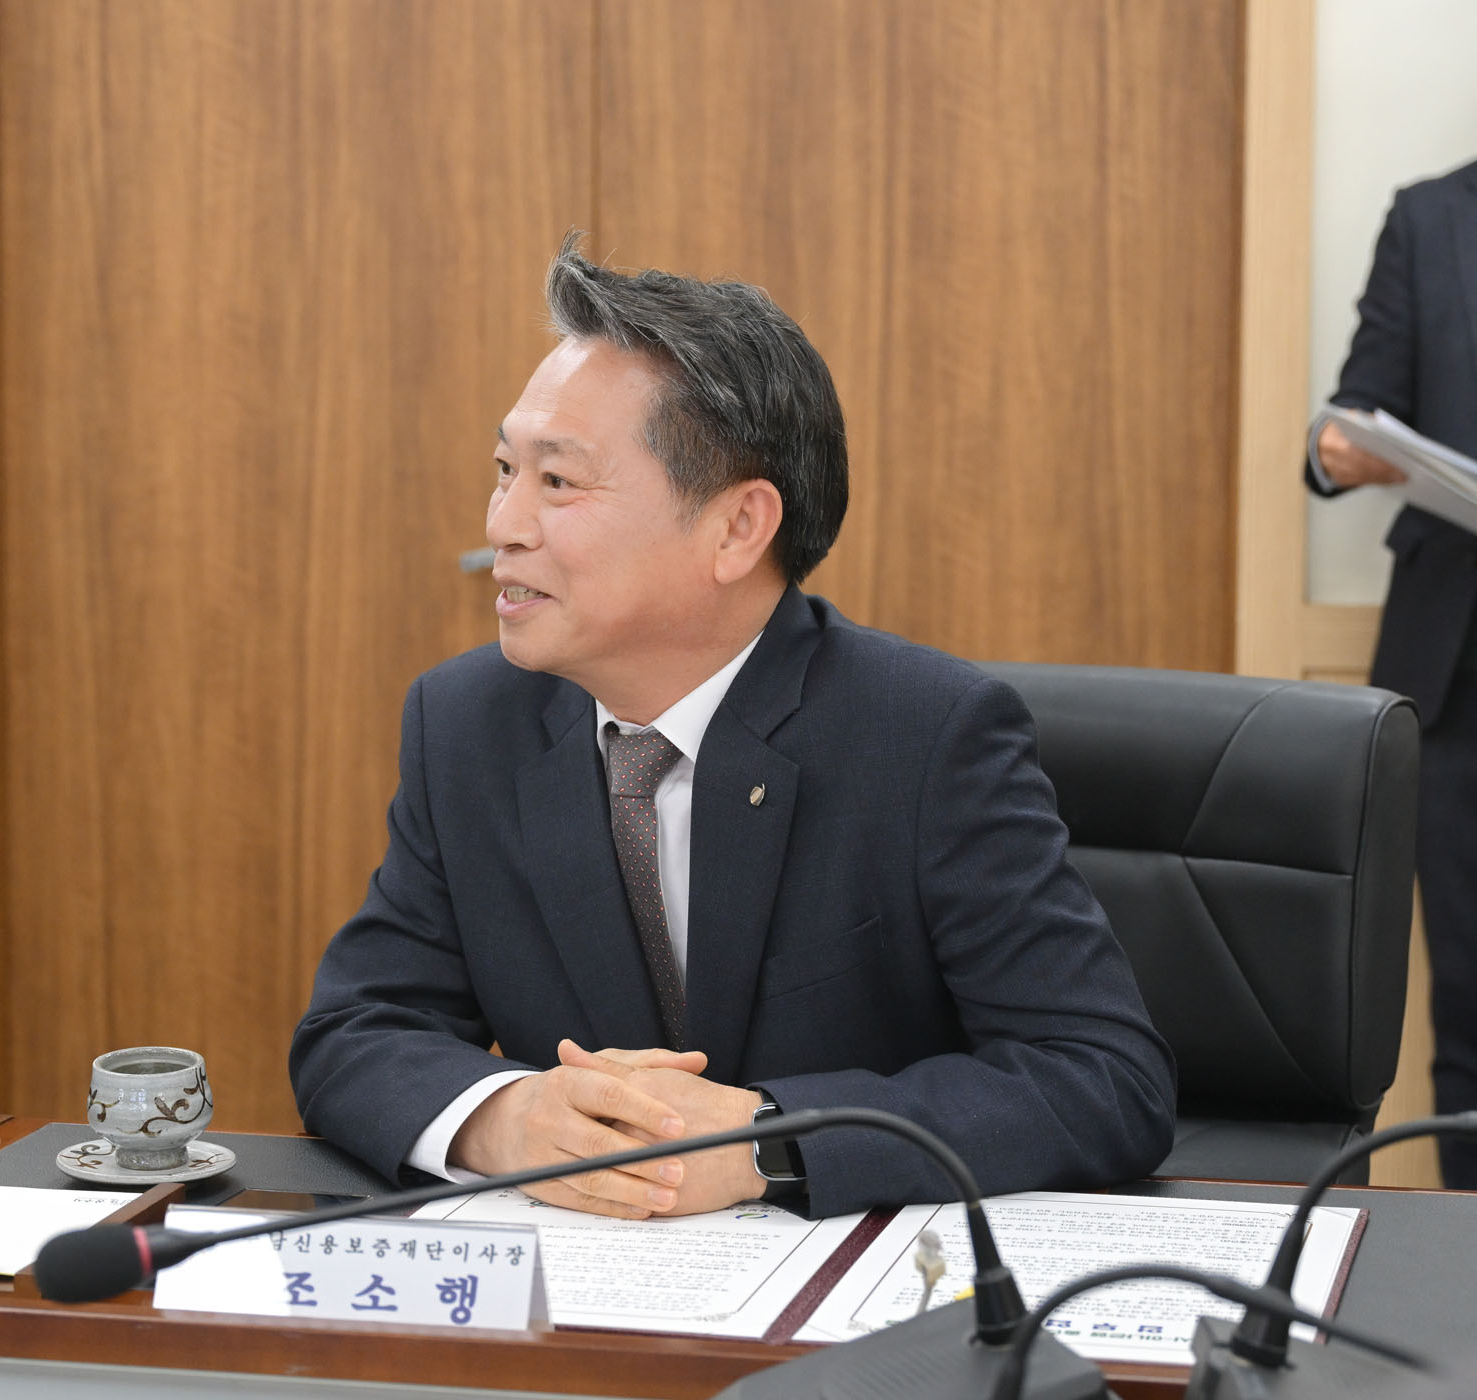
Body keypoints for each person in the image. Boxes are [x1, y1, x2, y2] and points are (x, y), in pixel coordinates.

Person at [290, 236, 1175, 1220]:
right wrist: (508, 1117)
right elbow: (354, 1031)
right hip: (588, 1283)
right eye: (505, 470)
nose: (503, 522)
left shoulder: (925, 737)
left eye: (558, 482)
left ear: (738, 527)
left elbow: (1102, 1077)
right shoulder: (468, 723)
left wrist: (767, 1139)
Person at [1306, 158, 1477, 1189]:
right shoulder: (1429, 219)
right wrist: (1343, 449)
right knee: (1467, 1009)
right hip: (1455, 683)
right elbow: (1346, 429)